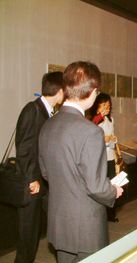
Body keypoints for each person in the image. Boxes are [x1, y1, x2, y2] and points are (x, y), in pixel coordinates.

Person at [38, 61, 123, 263]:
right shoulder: (90, 131)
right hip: (86, 226)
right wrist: (113, 191)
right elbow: (95, 186)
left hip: (60, 221)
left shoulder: (48, 124)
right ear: (93, 93)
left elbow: (46, 173)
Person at [15, 71, 64, 263]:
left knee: (53, 222)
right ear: (59, 91)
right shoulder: (32, 110)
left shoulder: (50, 112)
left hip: (45, 181)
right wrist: (31, 179)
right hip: (33, 183)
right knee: (28, 233)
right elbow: (24, 148)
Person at [90, 93, 119, 222]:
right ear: (97, 104)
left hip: (110, 156)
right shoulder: (92, 119)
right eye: (104, 105)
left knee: (111, 184)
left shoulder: (110, 120)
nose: (107, 108)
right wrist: (102, 139)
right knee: (100, 186)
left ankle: (111, 214)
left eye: (109, 105)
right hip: (98, 158)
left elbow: (113, 139)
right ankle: (100, 214)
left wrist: (113, 139)